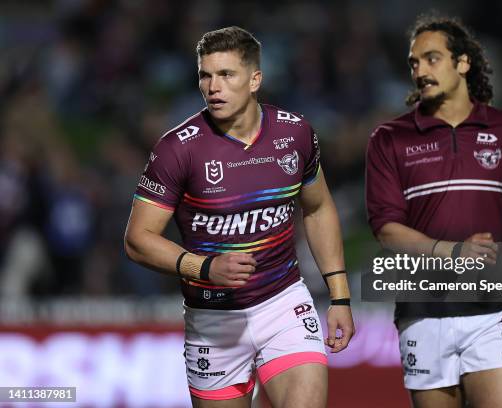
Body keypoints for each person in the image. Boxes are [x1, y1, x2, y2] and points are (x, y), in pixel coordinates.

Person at [365, 16, 502, 408]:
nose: (420, 70)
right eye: (414, 63)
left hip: (494, 312)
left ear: (463, 63)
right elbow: (387, 231)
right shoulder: (389, 139)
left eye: (432, 58)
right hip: (423, 312)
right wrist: (453, 251)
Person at [124, 26, 354, 408]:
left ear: (255, 79)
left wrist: (340, 297)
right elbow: (137, 239)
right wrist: (204, 268)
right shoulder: (177, 150)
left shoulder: (295, 134)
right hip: (213, 320)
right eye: (205, 75)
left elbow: (318, 207)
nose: (213, 86)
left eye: (226, 74)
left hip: (283, 303)